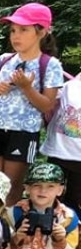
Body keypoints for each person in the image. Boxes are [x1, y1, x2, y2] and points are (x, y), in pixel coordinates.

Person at [0, 2, 64, 205]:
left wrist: (27, 87)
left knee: (11, 184)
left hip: (24, 133)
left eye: (23, 30)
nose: (16, 36)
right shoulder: (3, 60)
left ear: (42, 31)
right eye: (13, 30)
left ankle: (7, 226)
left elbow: (46, 105)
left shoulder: (50, 65)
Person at [39, 74, 81, 213]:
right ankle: (46, 229)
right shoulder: (70, 86)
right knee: (49, 197)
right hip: (58, 152)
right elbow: (47, 103)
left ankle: (72, 230)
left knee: (75, 200)